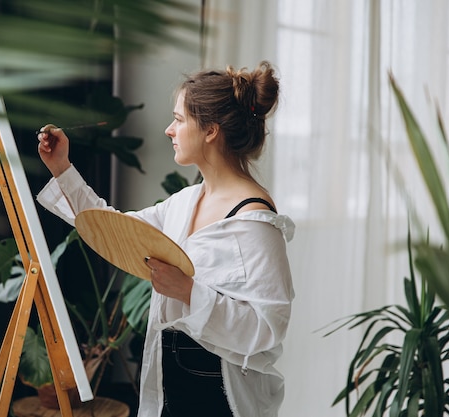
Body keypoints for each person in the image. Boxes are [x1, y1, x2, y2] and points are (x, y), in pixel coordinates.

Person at [35, 61, 295, 417]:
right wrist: (62, 168)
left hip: (220, 399)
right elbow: (114, 230)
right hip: (171, 389)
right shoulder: (187, 201)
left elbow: (269, 327)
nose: (169, 130)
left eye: (179, 119)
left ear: (210, 131)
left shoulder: (255, 222)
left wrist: (189, 291)